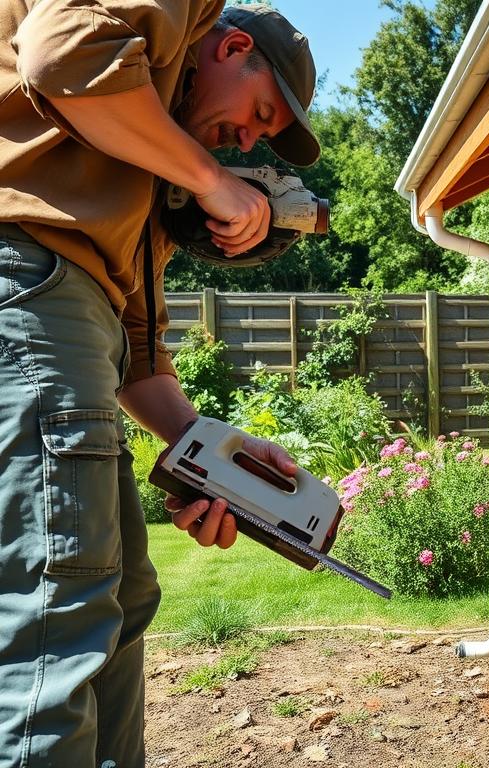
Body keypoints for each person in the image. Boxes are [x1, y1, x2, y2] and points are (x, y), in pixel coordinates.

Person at [0, 2, 320, 766]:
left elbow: (138, 356)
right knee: (56, 624)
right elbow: (60, 50)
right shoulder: (183, 11)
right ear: (232, 46)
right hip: (28, 282)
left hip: (70, 317)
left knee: (122, 599)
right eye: (261, 112)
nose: (248, 141)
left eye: (262, 139)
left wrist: (219, 461)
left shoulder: (140, 165)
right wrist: (209, 178)